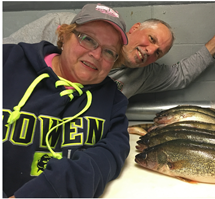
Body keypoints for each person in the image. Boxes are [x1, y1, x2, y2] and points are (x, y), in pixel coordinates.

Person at [3, 3, 130, 198]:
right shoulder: (8, 61)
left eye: (108, 52)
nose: (96, 55)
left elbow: (108, 156)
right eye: (88, 39)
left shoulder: (113, 99)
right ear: (63, 36)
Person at [3, 10, 215, 99]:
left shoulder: (141, 75)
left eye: (158, 53)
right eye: (151, 39)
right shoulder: (64, 24)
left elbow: (181, 74)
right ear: (135, 28)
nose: (150, 51)